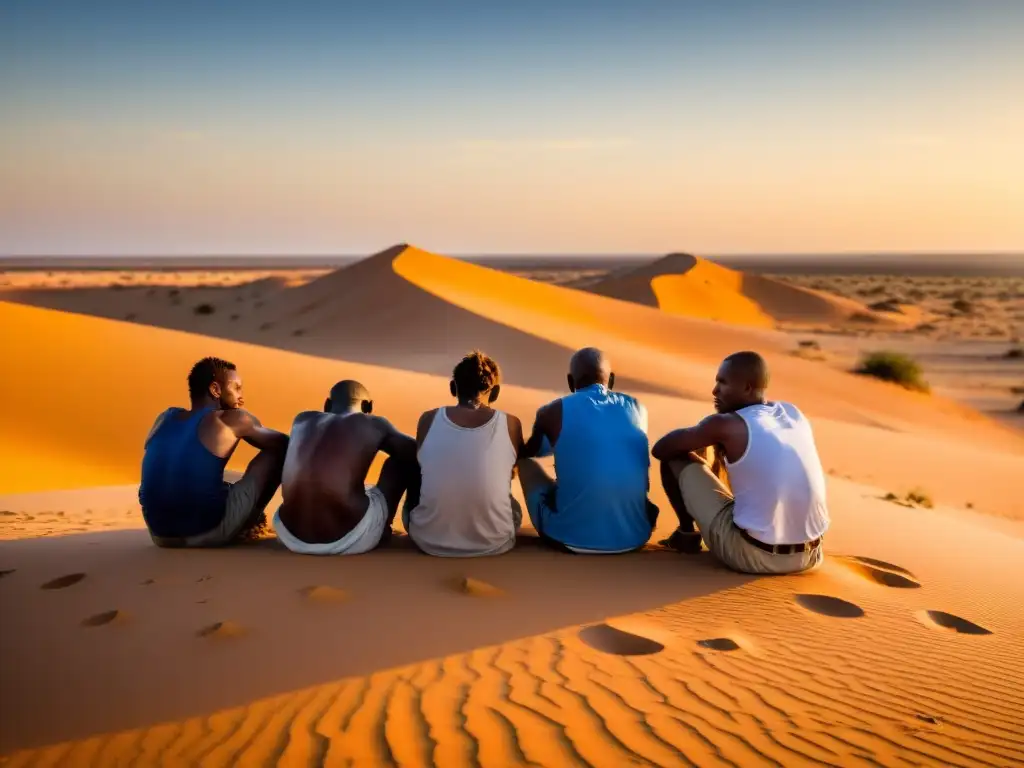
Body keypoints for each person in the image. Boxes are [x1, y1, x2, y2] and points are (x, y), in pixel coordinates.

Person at [653, 351, 829, 574]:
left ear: (747, 388)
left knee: (676, 457)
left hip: (753, 556)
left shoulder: (726, 425)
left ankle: (686, 537)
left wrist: (706, 431)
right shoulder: (793, 414)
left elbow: (661, 449)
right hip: (811, 556)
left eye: (722, 382)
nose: (714, 390)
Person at [518, 347, 657, 553]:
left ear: (570, 381)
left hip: (570, 539)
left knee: (525, 464)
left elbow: (532, 451)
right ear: (611, 380)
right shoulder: (638, 408)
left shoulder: (552, 412)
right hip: (635, 537)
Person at [139, 357, 288, 547]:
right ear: (216, 390)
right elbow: (284, 443)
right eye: (237, 388)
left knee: (186, 467)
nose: (241, 397)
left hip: (160, 535)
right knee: (277, 454)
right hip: (209, 531)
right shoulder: (232, 419)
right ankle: (248, 523)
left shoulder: (164, 418)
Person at [273, 380, 420, 555]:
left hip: (289, 535)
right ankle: (387, 527)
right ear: (368, 406)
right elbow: (417, 452)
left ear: (327, 403)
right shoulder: (374, 423)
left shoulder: (302, 419)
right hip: (348, 538)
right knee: (399, 463)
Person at [405, 351, 525, 556]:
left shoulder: (428, 419)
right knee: (512, 499)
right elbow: (512, 472)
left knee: (414, 466)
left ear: (453, 387)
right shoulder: (511, 424)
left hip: (427, 540)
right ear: (495, 392)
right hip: (494, 542)